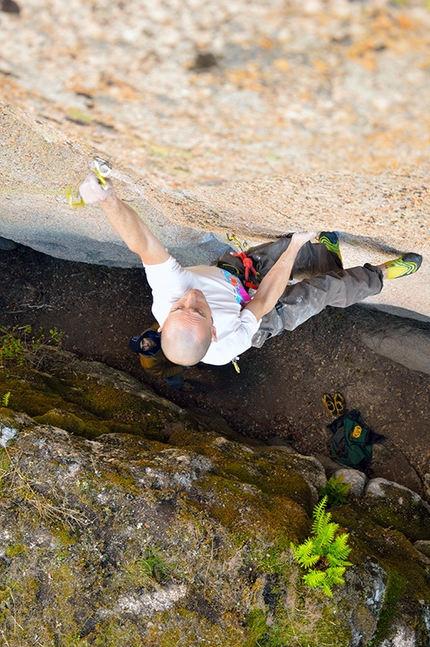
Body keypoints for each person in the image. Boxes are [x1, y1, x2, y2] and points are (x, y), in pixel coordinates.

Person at [79, 172, 423, 367]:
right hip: (255, 316)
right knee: (317, 294)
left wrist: (108, 201)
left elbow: (142, 243)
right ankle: (380, 275)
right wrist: (294, 249)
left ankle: (321, 253)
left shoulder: (170, 292)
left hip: (233, 278)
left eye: (179, 308)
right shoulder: (230, 341)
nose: (191, 297)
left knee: (286, 247)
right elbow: (264, 302)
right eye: (198, 309)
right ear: (214, 330)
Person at [129, 324, 194, 391]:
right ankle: (179, 385)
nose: (146, 344)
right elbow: (163, 373)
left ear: (143, 337)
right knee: (173, 378)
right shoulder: (149, 364)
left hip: (180, 351)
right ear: (143, 351)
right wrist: (182, 368)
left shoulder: (159, 327)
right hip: (170, 366)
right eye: (143, 347)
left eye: (143, 341)